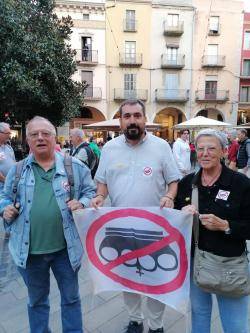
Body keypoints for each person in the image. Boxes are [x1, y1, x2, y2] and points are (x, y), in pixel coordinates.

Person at [91, 99, 180, 333]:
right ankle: (135, 319)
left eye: (137, 115)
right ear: (120, 121)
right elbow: (102, 183)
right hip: (121, 226)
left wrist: (170, 196)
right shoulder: (109, 148)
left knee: (156, 279)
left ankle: (156, 324)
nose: (132, 120)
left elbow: (173, 180)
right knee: (127, 277)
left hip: (156, 228)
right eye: (127, 116)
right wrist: (100, 197)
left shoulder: (162, 146)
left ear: (145, 119)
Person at [0, 116, 96, 333]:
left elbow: (91, 193)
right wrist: (4, 208)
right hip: (29, 252)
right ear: (28, 140)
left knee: (71, 299)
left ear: (55, 138)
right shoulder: (16, 171)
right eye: (34, 134)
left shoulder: (76, 167)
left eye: (46, 133)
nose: (40, 138)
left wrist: (82, 202)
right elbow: (4, 197)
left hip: (66, 250)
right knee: (37, 302)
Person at [175, 129, 250, 333]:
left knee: (236, 325)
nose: (205, 153)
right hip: (196, 262)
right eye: (200, 149)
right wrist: (181, 212)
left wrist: (226, 226)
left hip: (230, 265)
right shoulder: (187, 183)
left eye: (211, 148)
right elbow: (172, 218)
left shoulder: (240, 184)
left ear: (224, 151)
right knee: (199, 314)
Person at [0, 122, 16, 192]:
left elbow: (14, 164)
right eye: (8, 133)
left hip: (9, 184)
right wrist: (6, 181)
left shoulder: (9, 148)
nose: (9, 136)